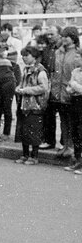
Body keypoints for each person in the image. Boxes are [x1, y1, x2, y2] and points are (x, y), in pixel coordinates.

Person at [48, 26, 81, 159]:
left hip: (71, 92)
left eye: (66, 36)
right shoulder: (58, 52)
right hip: (58, 91)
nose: (63, 39)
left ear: (73, 38)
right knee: (63, 121)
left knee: (72, 122)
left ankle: (71, 147)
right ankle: (66, 146)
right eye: (62, 36)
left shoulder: (77, 53)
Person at [15, 46, 50, 166]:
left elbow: (43, 88)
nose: (24, 58)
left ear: (34, 57)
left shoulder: (40, 71)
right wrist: (19, 88)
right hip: (24, 105)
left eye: (27, 55)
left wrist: (25, 90)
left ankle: (34, 156)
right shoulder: (25, 69)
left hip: (35, 105)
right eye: (23, 55)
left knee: (34, 132)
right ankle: (25, 155)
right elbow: (22, 83)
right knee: (24, 131)